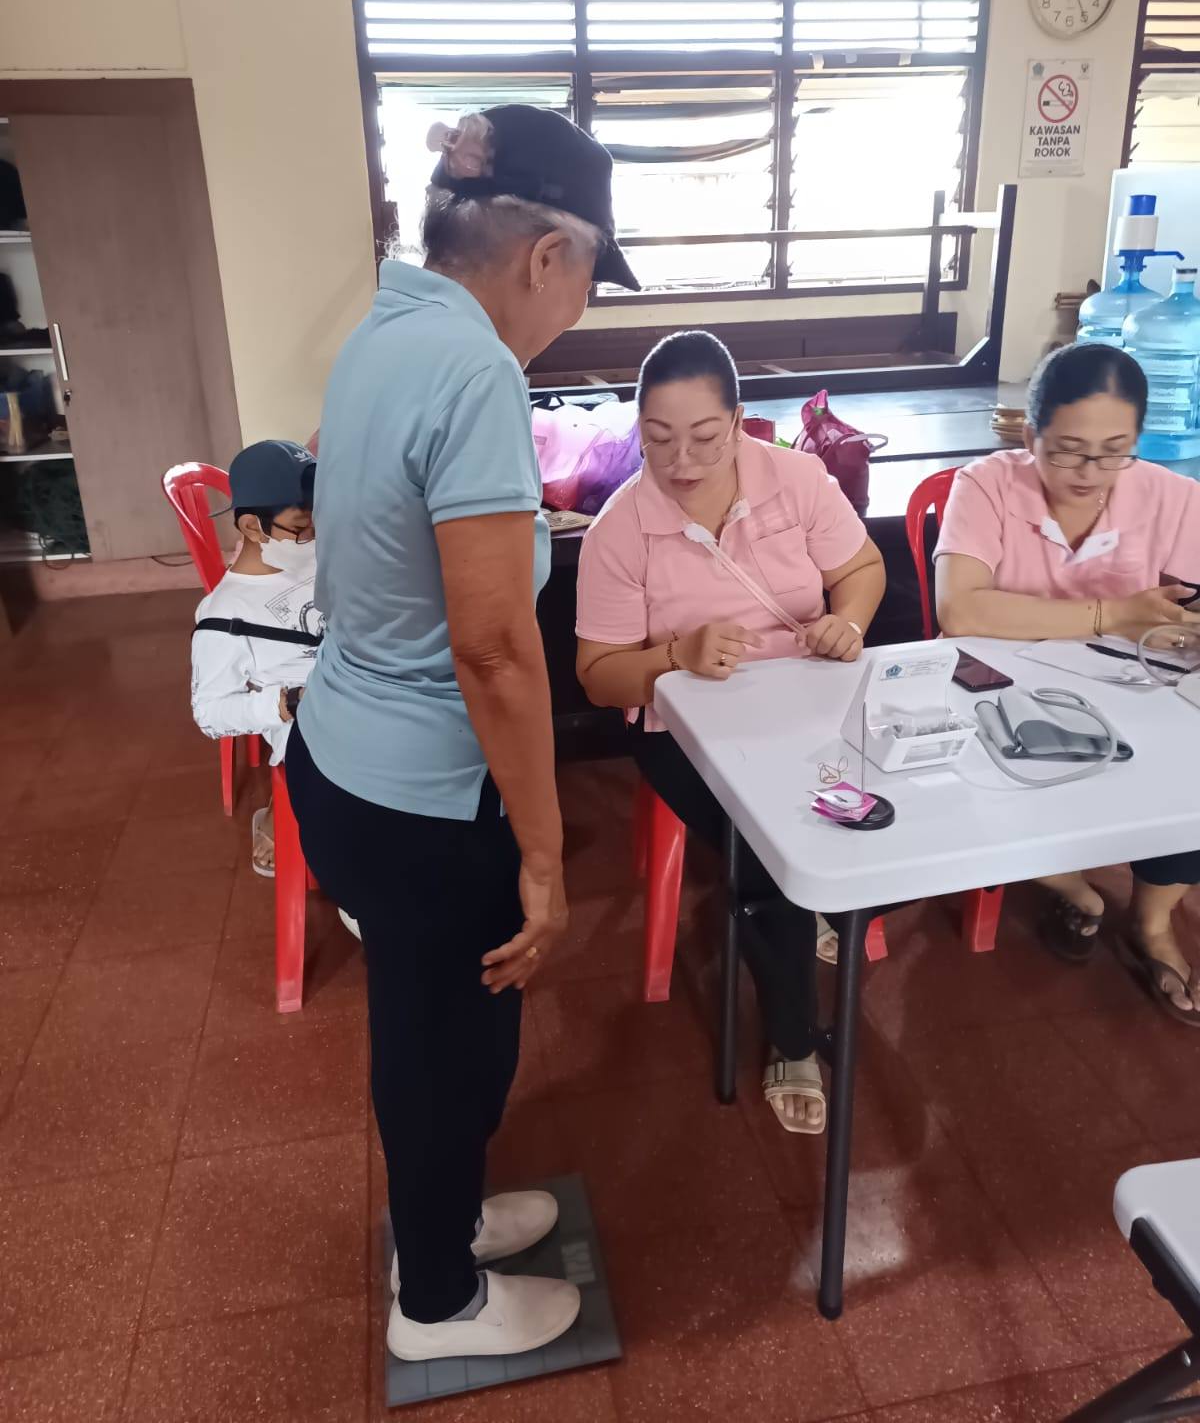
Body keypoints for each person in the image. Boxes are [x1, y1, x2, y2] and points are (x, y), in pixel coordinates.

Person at [286, 106, 639, 1361]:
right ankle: (435, 1301)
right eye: (587, 278)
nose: (578, 309)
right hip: (426, 799)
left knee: (433, 1024)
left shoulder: (390, 324)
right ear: (547, 254)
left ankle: (447, 1222)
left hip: (344, 757)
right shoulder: (478, 369)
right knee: (446, 1044)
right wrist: (543, 855)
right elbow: (493, 652)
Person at [575, 331, 886, 1133]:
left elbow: (860, 570)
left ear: (740, 421)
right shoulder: (619, 531)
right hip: (683, 727)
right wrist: (674, 656)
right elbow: (599, 675)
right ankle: (794, 1038)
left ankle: (826, 896)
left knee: (898, 794)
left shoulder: (795, 479)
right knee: (767, 854)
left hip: (805, 696)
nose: (681, 461)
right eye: (658, 438)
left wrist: (848, 623)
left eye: (705, 437)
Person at [935, 341, 1200, 1022]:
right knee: (979, 784)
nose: (1090, 473)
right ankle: (1074, 886)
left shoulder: (1170, 497)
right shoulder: (987, 486)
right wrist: (1113, 613)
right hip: (996, 689)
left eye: (1114, 452)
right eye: (1067, 451)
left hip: (1129, 687)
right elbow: (961, 610)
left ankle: (1153, 920)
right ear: (1031, 436)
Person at [191, 440, 320, 876]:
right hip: (312, 730)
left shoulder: (318, 557)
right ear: (252, 527)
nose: (314, 537)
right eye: (302, 527)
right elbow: (210, 715)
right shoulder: (225, 615)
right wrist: (286, 703)